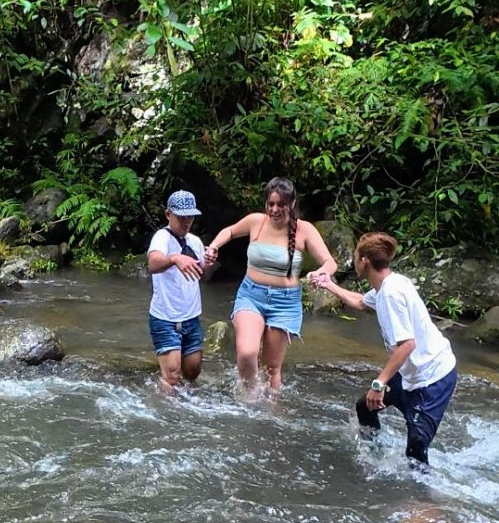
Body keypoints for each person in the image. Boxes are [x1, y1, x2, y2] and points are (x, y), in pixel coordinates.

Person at [309, 231, 457, 466]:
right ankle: (373, 456)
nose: (355, 261)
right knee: (365, 407)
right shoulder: (389, 283)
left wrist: (379, 384)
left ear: (364, 260)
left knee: (416, 453)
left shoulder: (390, 293)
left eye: (356, 256)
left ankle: (426, 501)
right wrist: (328, 285)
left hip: (433, 378)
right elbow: (359, 302)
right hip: (413, 373)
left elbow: (407, 344)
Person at [204, 177, 336, 393]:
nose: (274, 209)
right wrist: (214, 246)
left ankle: (271, 409)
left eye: (280, 205)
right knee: (247, 353)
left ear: (292, 204)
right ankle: (251, 397)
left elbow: (330, 263)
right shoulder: (256, 221)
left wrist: (321, 273)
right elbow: (230, 231)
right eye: (270, 204)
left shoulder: (305, 230)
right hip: (251, 295)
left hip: (284, 303)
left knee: (271, 368)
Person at [147, 190, 215, 394]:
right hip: (165, 317)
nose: (186, 222)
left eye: (190, 218)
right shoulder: (162, 237)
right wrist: (175, 259)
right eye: (181, 217)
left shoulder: (194, 241)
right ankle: (166, 410)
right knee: (173, 374)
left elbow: (202, 275)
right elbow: (152, 263)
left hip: (191, 317)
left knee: (193, 371)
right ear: (168, 214)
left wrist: (209, 263)